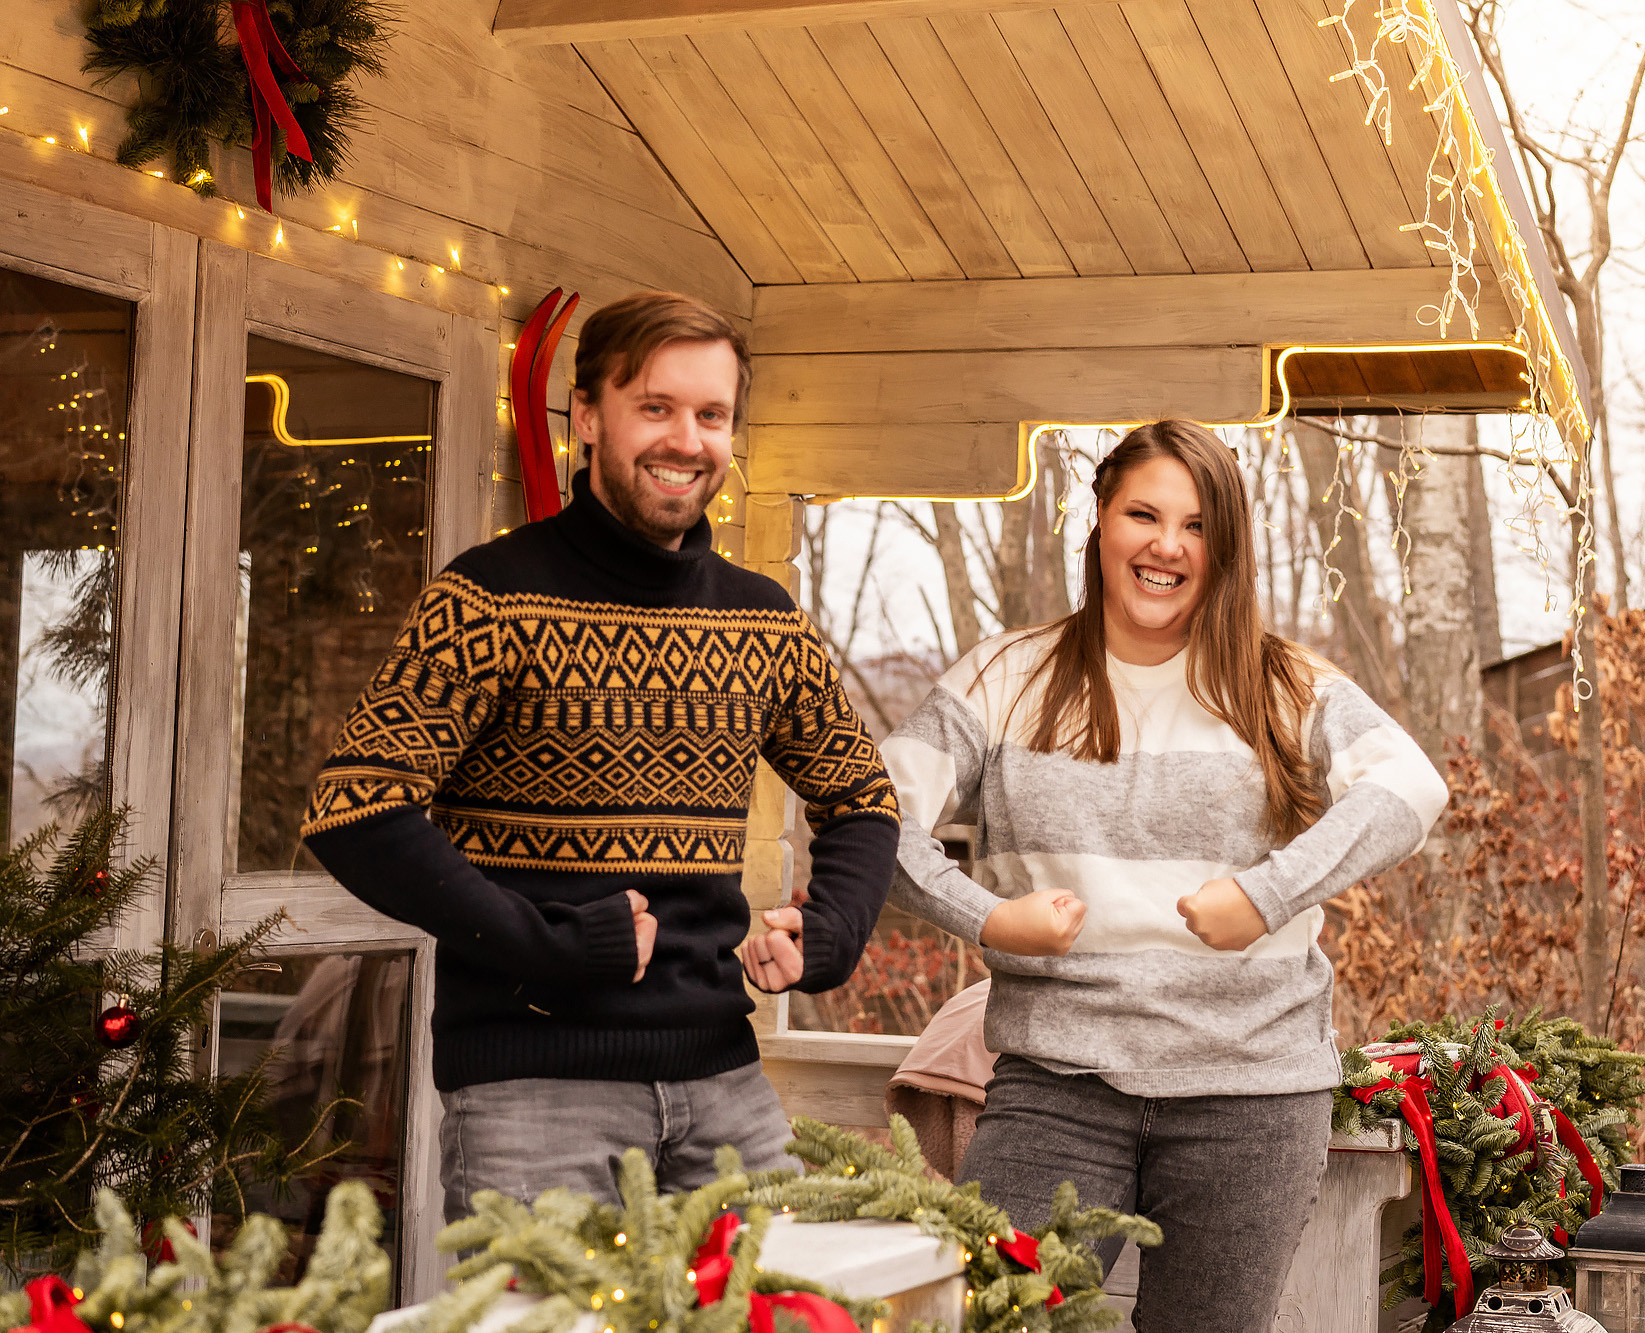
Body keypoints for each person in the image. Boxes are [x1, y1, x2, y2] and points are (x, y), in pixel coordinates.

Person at [301, 289, 900, 1219]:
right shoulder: (488, 599)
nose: (686, 440)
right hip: (533, 1094)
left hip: (727, 1084)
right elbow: (356, 807)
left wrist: (833, 933)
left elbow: (862, 793)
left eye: (711, 415)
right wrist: (539, 942)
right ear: (587, 415)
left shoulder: (761, 616)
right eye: (655, 408)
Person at [880, 420, 1448, 1331]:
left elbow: (1412, 787)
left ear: (1225, 549)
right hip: (1056, 1087)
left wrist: (1266, 896)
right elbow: (871, 816)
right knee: (990, 1318)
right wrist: (987, 917)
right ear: (1101, 520)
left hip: (1251, 1093)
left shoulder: (1283, 685)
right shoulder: (1005, 677)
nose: (1167, 545)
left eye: (1196, 525)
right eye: (1144, 513)